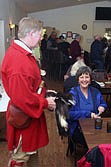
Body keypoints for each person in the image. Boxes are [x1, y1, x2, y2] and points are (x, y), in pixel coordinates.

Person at [1, 17, 56, 167]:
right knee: (19, 158)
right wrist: (44, 102)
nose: (40, 40)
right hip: (23, 118)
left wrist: (43, 92)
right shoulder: (19, 61)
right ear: (31, 34)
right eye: (39, 35)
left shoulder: (21, 53)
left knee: (31, 154)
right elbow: (22, 98)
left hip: (27, 116)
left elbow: (29, 86)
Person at [68, 66, 107, 150]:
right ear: (78, 80)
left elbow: (103, 103)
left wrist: (102, 106)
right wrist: (89, 114)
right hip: (78, 127)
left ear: (90, 79)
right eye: (81, 77)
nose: (84, 80)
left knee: (105, 138)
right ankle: (91, 160)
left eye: (87, 77)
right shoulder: (73, 93)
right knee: (93, 142)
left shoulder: (95, 91)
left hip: (94, 125)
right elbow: (70, 114)